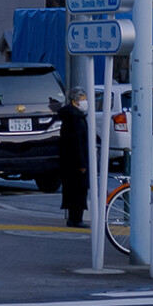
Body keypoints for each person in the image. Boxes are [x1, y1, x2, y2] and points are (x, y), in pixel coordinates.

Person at [58, 87, 90, 228]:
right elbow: (76, 141)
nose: (85, 102)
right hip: (76, 162)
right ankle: (76, 219)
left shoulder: (72, 116)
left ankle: (75, 218)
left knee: (74, 190)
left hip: (69, 161)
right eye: (83, 99)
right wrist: (81, 162)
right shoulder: (74, 118)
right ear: (74, 101)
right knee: (78, 190)